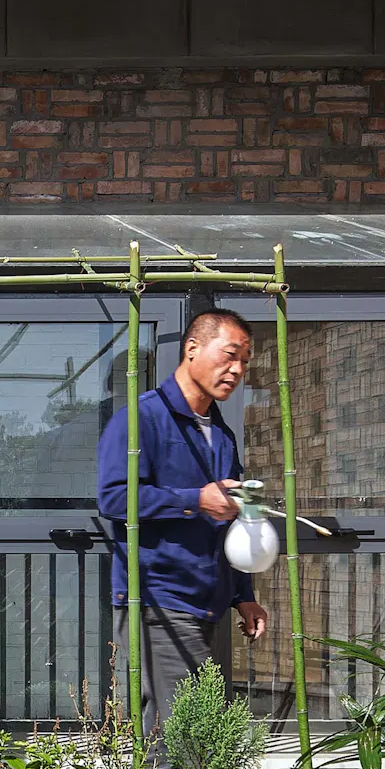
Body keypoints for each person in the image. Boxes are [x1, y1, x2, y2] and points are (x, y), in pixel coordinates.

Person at [96, 303, 271, 729]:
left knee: (177, 733)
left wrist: (243, 594)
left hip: (206, 602)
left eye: (245, 362)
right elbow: (114, 499)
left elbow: (228, 518)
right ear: (192, 348)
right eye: (229, 355)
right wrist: (195, 499)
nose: (237, 370)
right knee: (187, 733)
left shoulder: (221, 434)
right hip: (158, 598)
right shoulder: (140, 419)